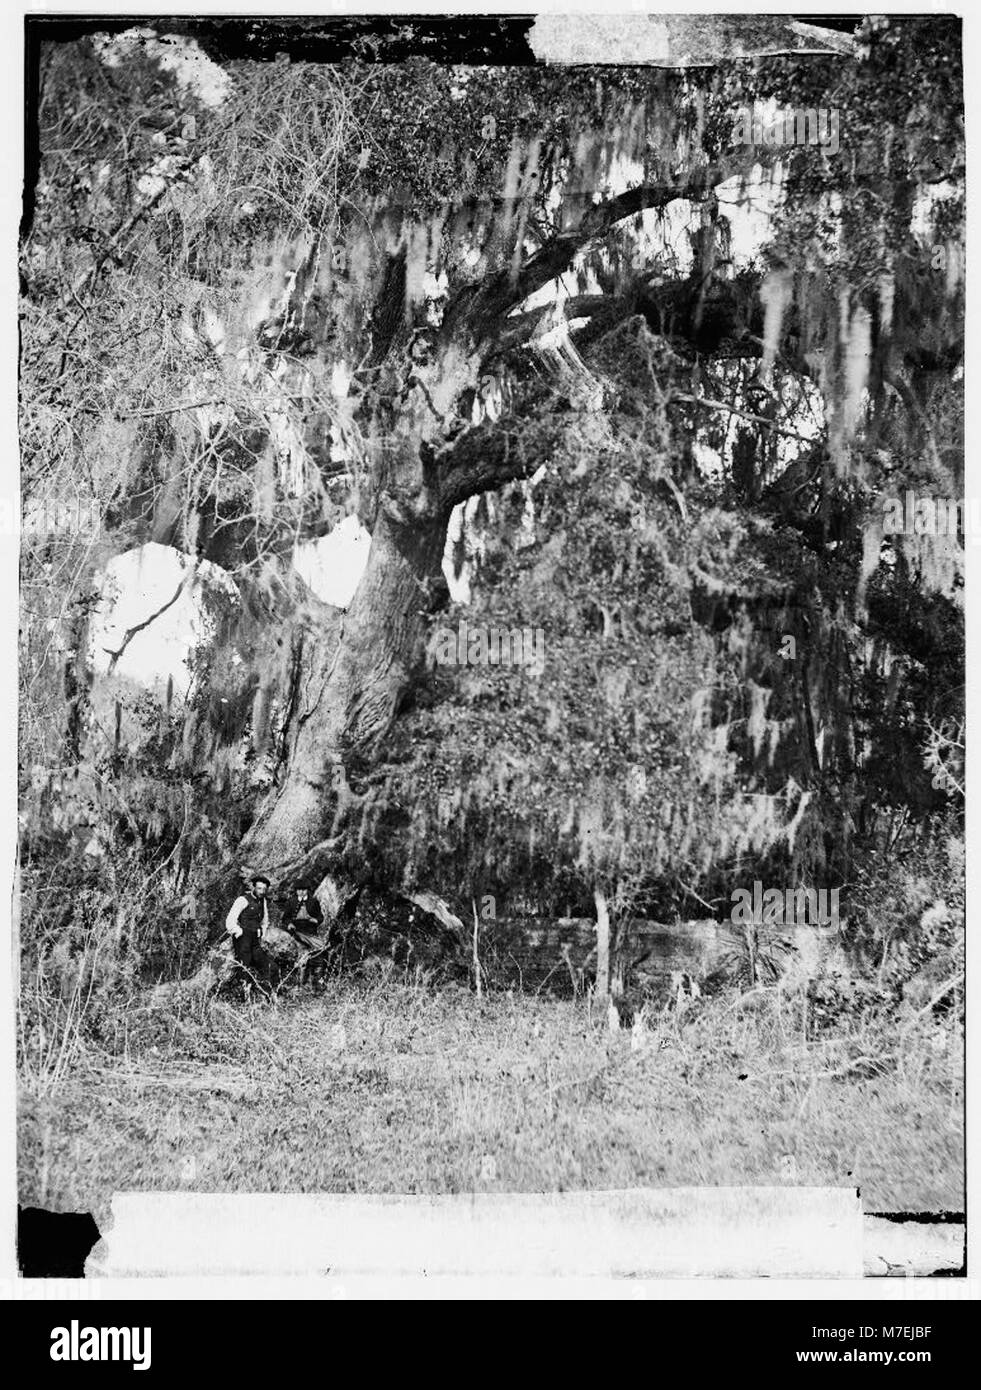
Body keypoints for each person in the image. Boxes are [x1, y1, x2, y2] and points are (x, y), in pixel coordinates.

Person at [225, 873, 272, 998]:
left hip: (255, 938)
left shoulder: (263, 901)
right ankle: (243, 996)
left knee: (264, 963)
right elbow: (230, 920)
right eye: (259, 888)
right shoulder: (243, 900)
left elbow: (265, 921)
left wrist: (262, 934)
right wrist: (238, 931)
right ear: (253, 887)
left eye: (264, 889)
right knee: (244, 965)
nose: (261, 892)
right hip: (243, 938)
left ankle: (265, 993)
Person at [281, 881, 325, 950]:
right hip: (295, 930)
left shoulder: (313, 902)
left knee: (319, 947)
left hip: (310, 931)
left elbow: (320, 916)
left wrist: (316, 920)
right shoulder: (291, 901)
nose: (301, 892)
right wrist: (289, 924)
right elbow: (285, 918)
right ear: (296, 891)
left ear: (307, 890)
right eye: (299, 890)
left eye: (304, 890)